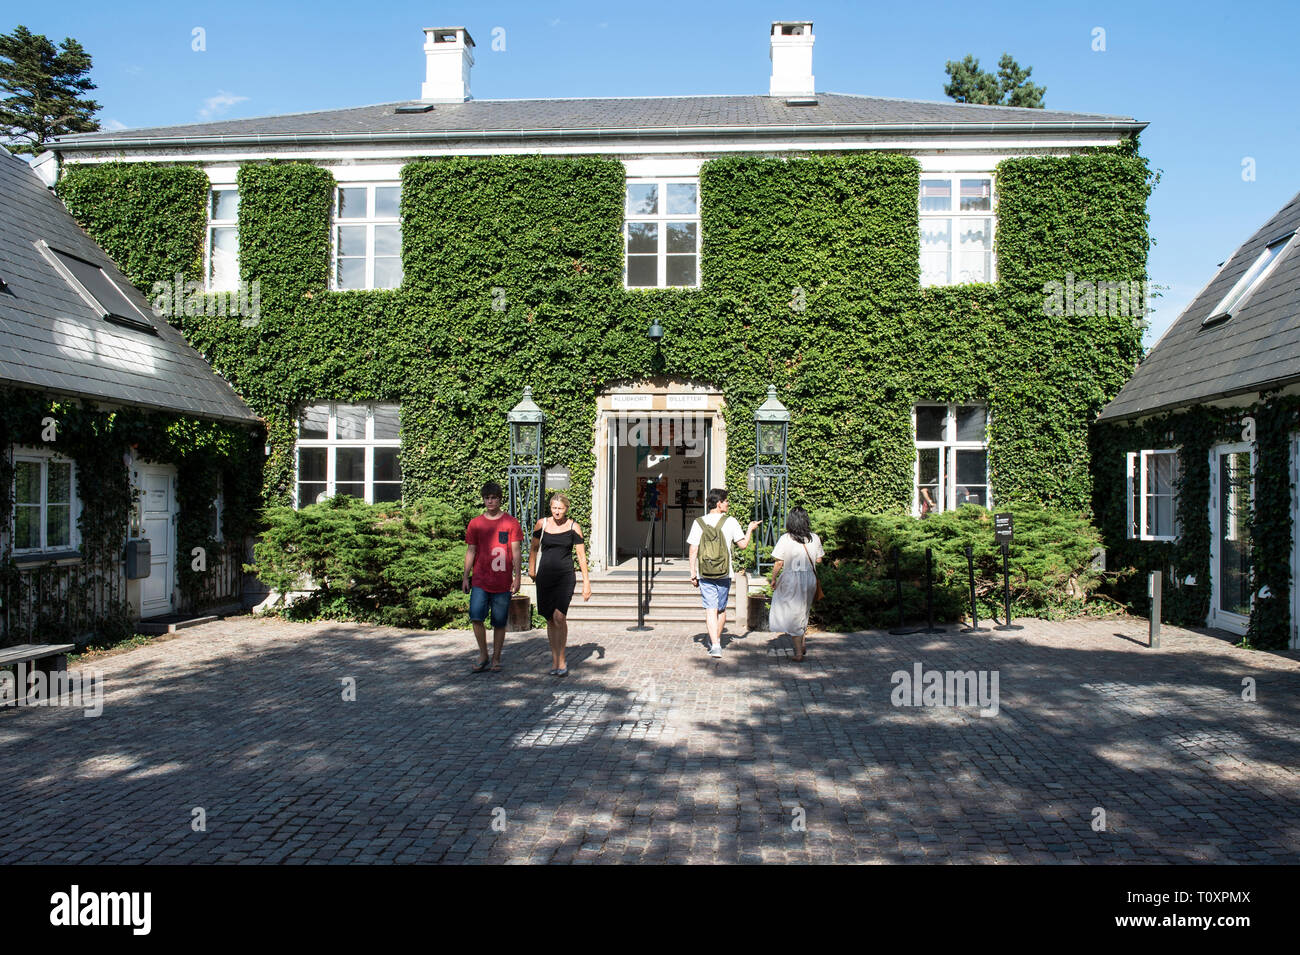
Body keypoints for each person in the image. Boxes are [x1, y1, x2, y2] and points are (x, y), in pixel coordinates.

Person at [687, 487, 759, 659]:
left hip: (705, 572)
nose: (728, 503)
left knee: (710, 609)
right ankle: (716, 640)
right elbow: (743, 545)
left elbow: (693, 550)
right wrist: (750, 529)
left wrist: (692, 572)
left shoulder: (699, 522)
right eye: (726, 501)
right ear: (719, 503)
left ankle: (716, 645)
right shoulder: (731, 522)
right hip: (724, 572)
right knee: (721, 609)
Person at [528, 492, 591, 677]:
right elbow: (533, 548)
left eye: (560, 508)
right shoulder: (542, 524)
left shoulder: (574, 527)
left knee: (559, 617)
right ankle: (554, 658)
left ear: (566, 509)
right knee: (549, 618)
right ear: (551, 508)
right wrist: (531, 569)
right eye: (554, 508)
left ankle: (562, 658)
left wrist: (586, 582)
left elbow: (581, 556)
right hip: (545, 576)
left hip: (565, 576)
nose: (557, 512)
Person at [462, 480, 523, 673]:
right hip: (480, 579)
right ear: (483, 500)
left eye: (494, 498)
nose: (490, 501)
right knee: (476, 617)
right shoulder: (476, 523)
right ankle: (483, 654)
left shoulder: (510, 522)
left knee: (499, 621)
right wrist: (465, 576)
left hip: (502, 581)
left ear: (499, 499)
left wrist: (517, 577)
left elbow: (516, 551)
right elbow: (471, 550)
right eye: (487, 498)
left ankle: (496, 657)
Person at [768, 506, 824, 662]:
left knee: (793, 613)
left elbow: (779, 562)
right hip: (810, 578)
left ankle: (798, 652)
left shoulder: (786, 539)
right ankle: (803, 644)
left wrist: (773, 578)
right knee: (803, 611)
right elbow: (819, 559)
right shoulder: (814, 537)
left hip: (791, 579)